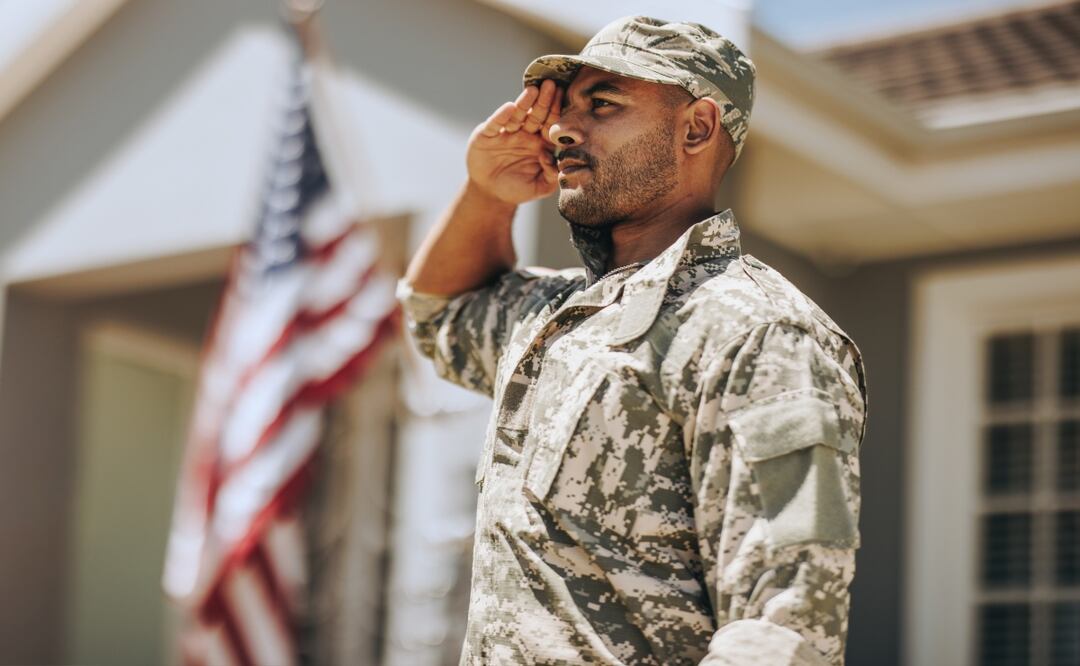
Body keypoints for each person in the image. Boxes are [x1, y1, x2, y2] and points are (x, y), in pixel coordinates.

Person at [397, 15, 867, 666]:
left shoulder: (760, 333)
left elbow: (785, 624)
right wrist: (487, 194)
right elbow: (440, 315)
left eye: (602, 105)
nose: (562, 127)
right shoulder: (557, 312)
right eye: (563, 108)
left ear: (697, 127)